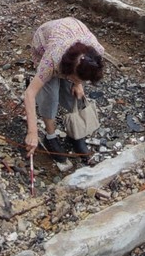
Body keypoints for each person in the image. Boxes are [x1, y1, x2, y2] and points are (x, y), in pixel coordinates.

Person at [24, 17, 105, 162]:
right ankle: (50, 136)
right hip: (44, 43)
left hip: (72, 32)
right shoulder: (51, 60)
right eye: (75, 77)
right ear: (67, 70)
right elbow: (30, 93)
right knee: (50, 96)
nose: (79, 81)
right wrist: (32, 131)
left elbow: (82, 72)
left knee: (73, 93)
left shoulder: (96, 52)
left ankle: (75, 134)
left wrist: (78, 83)